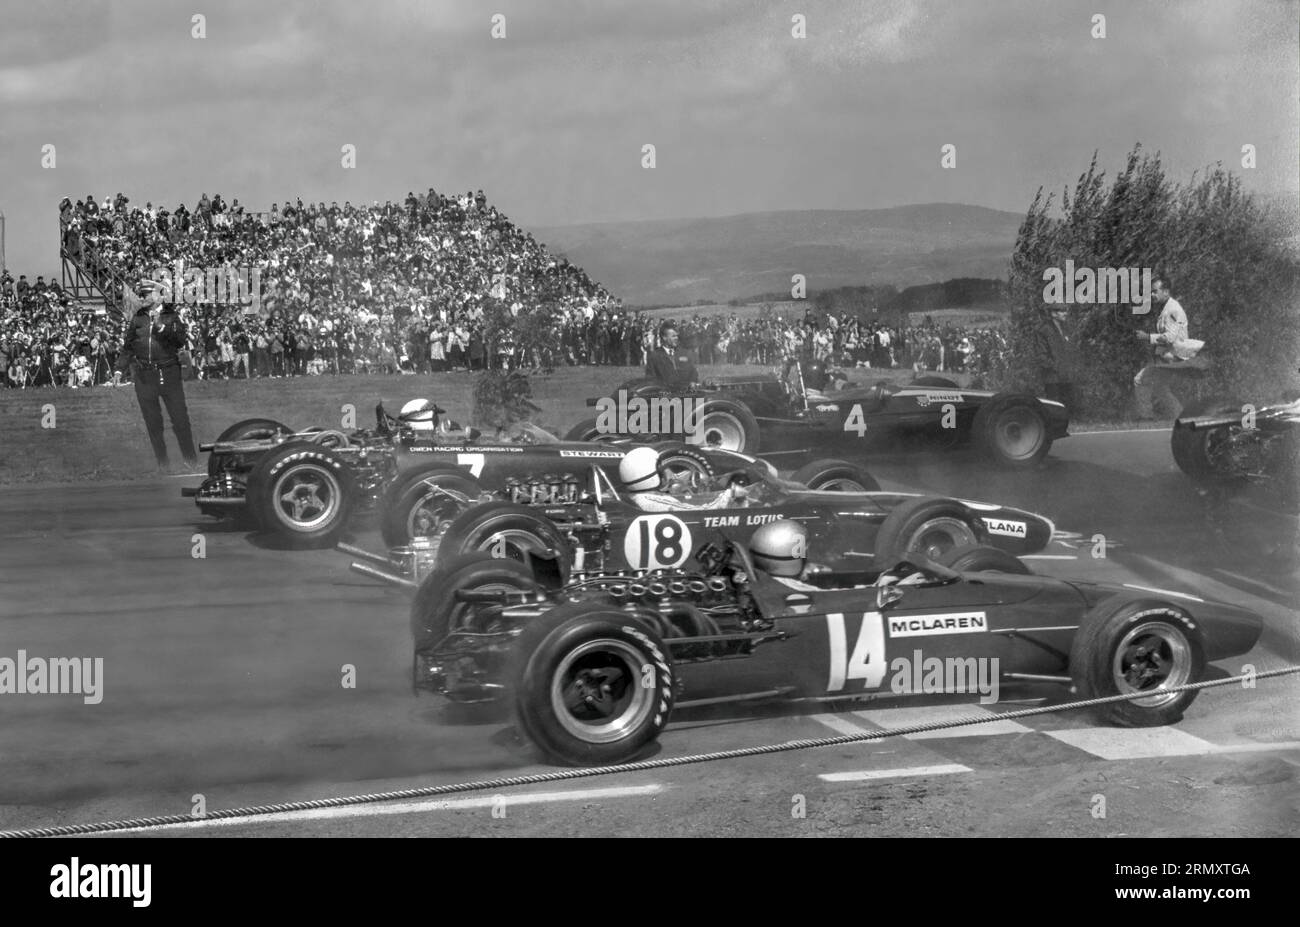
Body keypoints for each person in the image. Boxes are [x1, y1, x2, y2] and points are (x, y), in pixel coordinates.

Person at [113, 293, 198, 472]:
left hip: (169, 373)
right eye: (141, 294)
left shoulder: (172, 316)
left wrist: (161, 328)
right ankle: (163, 463)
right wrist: (119, 369)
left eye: (146, 294)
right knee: (153, 423)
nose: (142, 297)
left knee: (180, 420)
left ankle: (190, 460)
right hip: (144, 376)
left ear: (159, 298)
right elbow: (128, 347)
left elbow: (180, 340)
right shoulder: (137, 319)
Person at [1133, 275, 1204, 419]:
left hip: (1173, 358)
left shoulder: (1173, 310)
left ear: (1166, 291)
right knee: (1160, 388)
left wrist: (1147, 337)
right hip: (1170, 357)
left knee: (1140, 380)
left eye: (1155, 291)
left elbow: (1170, 338)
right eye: (1151, 292)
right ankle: (1180, 416)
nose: (1152, 294)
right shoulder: (1167, 308)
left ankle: (1146, 416)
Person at [618, 446, 749, 512]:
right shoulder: (654, 502)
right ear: (650, 477)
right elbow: (697, 512)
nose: (668, 474)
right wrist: (728, 495)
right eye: (662, 471)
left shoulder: (632, 497)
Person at [645, 321, 699, 389]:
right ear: (664, 338)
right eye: (673, 336)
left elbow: (693, 371)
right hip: (665, 395)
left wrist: (693, 381)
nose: (676, 338)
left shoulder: (685, 353)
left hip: (687, 394)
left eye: (677, 336)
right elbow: (651, 379)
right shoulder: (654, 356)